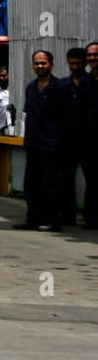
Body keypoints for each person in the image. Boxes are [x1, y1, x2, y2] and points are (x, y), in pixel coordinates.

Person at [15, 50, 65, 231]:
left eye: (43, 63)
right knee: (32, 183)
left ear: (50, 65)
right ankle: (33, 218)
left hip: (52, 144)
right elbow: (28, 114)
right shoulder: (31, 87)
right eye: (37, 63)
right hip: (34, 142)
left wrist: (59, 141)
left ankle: (53, 220)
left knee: (51, 184)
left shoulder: (59, 87)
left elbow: (65, 117)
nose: (40, 66)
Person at [58, 47, 88, 225]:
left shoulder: (90, 83)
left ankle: (91, 215)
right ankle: (68, 215)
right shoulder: (63, 85)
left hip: (88, 138)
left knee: (92, 178)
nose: (75, 67)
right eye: (72, 63)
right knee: (66, 179)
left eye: (78, 63)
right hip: (67, 139)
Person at [81, 44, 98, 230]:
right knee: (92, 181)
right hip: (90, 140)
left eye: (96, 55)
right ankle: (91, 218)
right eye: (90, 55)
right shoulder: (86, 82)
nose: (93, 58)